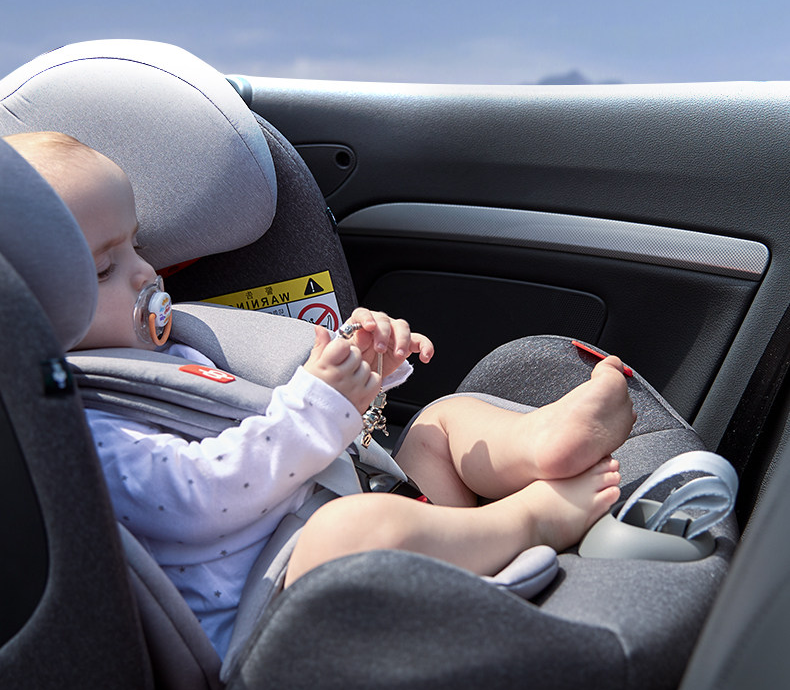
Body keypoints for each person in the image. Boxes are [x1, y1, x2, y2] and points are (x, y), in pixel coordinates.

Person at [6, 131, 636, 656]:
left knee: (439, 422)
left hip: (352, 511)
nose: (144, 272)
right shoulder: (77, 426)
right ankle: (530, 518)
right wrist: (317, 406)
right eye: (103, 269)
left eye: (137, 245)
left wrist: (360, 371)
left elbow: (270, 422)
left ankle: (544, 443)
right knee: (352, 529)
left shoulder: (168, 356)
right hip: (282, 613)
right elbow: (197, 496)